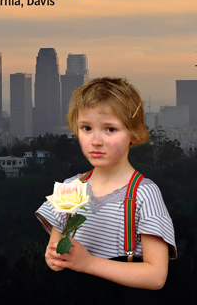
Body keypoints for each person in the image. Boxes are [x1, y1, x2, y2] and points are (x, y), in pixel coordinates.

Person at [35, 77, 176, 302]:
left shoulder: (144, 194)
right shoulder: (71, 187)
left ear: (134, 134)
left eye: (110, 129)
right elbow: (55, 251)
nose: (96, 140)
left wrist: (89, 263)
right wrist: (53, 259)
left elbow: (156, 276)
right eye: (86, 128)